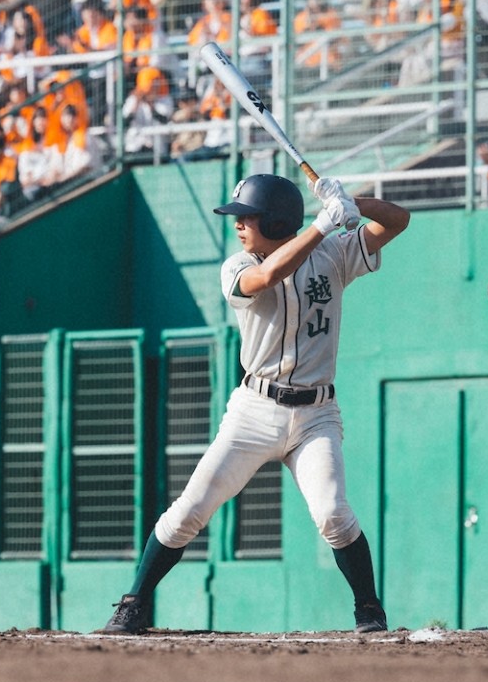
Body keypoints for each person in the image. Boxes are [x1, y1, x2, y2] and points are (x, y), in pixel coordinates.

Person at [100, 173, 410, 635]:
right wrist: (323, 223)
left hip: (316, 414)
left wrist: (353, 202)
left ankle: (369, 609)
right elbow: (268, 276)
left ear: (277, 220)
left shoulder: (333, 254)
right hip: (255, 410)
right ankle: (134, 604)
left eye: (248, 216)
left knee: (333, 514)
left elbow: (398, 221)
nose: (239, 224)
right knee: (190, 509)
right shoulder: (237, 266)